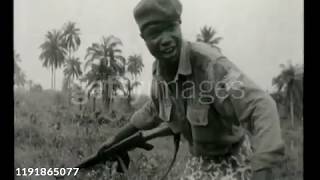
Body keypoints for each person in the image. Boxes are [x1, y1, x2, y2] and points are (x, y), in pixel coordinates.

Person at [98, 0, 285, 179]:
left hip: (234, 160)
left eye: (171, 28)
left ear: (179, 25)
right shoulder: (159, 72)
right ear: (143, 38)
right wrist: (116, 139)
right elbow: (153, 109)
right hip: (199, 162)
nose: (165, 40)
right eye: (155, 33)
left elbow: (261, 106)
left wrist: (263, 168)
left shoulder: (210, 66)